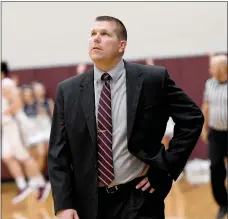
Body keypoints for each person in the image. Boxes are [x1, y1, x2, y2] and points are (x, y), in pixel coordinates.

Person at [48, 16, 204, 219]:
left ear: (122, 45)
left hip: (139, 197)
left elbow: (192, 118)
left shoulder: (152, 79)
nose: (96, 39)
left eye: (104, 34)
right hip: (88, 203)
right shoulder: (67, 91)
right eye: (93, 34)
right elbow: (57, 153)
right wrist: (63, 204)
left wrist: (166, 167)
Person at [1, 61, 51, 204]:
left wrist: (5, 114)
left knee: (22, 155)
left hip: (14, 125)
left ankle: (41, 184)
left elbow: (17, 103)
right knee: (6, 155)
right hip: (7, 126)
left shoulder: (6, 83)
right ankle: (23, 185)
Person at [201, 55, 227, 219]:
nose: (210, 70)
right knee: (215, 169)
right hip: (216, 134)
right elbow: (206, 106)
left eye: (213, 67)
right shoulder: (209, 83)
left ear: (222, 68)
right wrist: (204, 128)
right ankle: (224, 203)